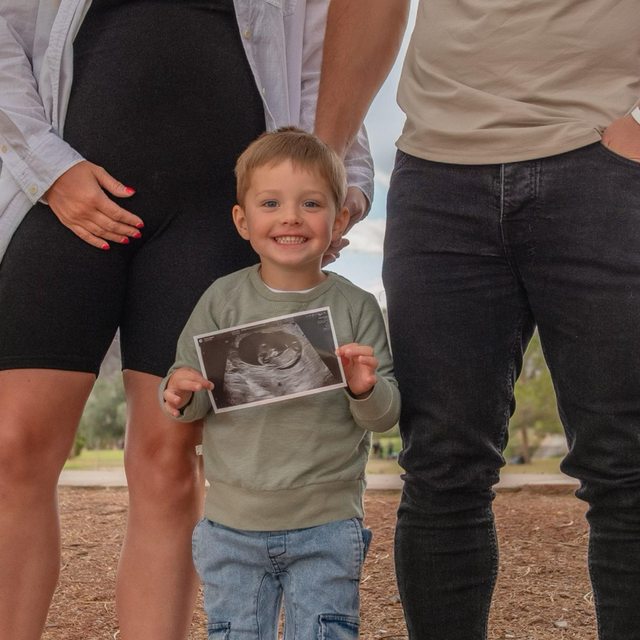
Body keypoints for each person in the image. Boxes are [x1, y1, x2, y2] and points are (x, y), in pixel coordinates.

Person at [0, 2, 374, 639]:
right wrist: (47, 166)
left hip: (215, 221)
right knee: (13, 446)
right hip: (64, 193)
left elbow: (327, 55)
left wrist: (346, 180)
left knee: (170, 461)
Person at [314, 1, 640, 639]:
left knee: (626, 466)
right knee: (441, 466)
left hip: (598, 164)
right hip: (437, 172)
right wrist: (325, 155)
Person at [160, 127, 400, 637]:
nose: (290, 216)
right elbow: (191, 397)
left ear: (339, 220)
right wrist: (178, 392)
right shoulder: (221, 300)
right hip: (232, 526)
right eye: (271, 203)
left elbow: (384, 417)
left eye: (310, 203)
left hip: (327, 524)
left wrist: (364, 388)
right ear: (242, 221)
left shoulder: (355, 308)